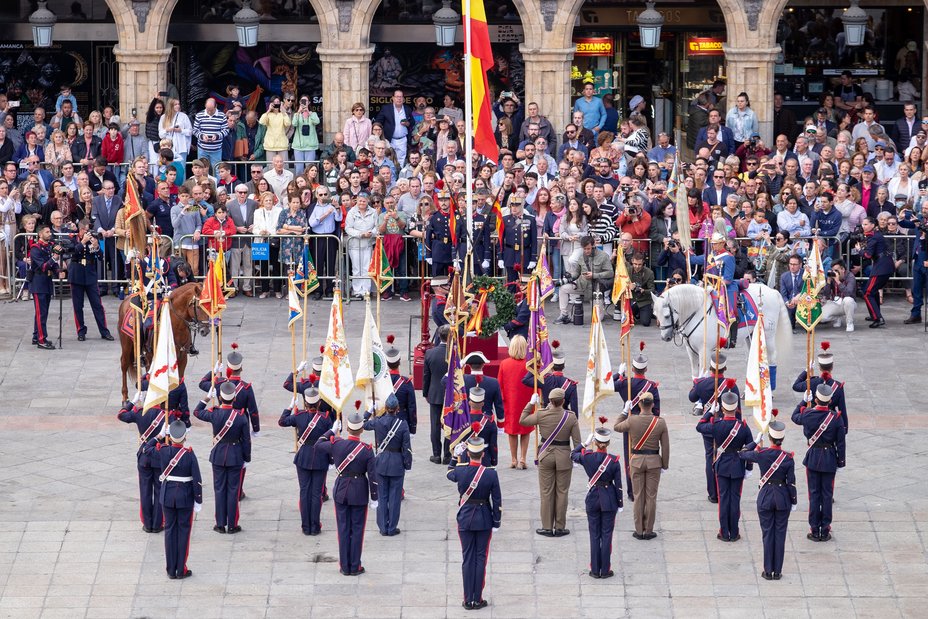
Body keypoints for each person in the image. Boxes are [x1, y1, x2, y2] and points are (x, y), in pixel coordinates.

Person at [316, 412, 379, 576]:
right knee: (357, 530)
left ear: (348, 428)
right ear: (361, 431)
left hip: (341, 490)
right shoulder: (366, 450)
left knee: (343, 529)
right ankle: (355, 565)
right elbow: (373, 476)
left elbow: (318, 444)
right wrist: (374, 497)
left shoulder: (337, 444)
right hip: (359, 491)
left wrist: (331, 431)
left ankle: (344, 566)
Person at [143, 421, 203, 580]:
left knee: (169, 531)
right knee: (183, 532)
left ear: (170, 436)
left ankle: (171, 569)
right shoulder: (189, 454)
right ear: (185, 437)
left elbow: (146, 449)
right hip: (185, 497)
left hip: (167, 496)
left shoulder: (163, 451)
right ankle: (180, 569)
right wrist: (198, 500)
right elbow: (197, 479)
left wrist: (159, 436)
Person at [447, 435, 502, 610]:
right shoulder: (491, 474)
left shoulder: (461, 471)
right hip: (484, 518)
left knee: (467, 558)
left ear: (468, 454)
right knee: (480, 558)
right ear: (483, 453)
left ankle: (467, 598)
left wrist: (455, 457)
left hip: (465, 518)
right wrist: (496, 522)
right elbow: (497, 500)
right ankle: (477, 599)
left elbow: (449, 473)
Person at [739, 420, 797, 580]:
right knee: (780, 534)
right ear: (782, 439)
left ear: (770, 438)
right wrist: (794, 501)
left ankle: (768, 570)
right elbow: (791, 482)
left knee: (767, 534)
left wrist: (755, 443)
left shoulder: (762, 454)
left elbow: (742, 453)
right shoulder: (787, 458)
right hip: (783, 498)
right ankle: (777, 571)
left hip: (765, 498)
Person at [519, 388, 581, 537]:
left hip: (546, 456)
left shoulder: (541, 414)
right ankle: (560, 527)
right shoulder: (571, 417)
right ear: (563, 401)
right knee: (562, 492)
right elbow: (577, 442)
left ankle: (547, 527)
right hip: (564, 457)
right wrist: (578, 458)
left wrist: (530, 403)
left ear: (550, 401)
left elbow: (523, 420)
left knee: (546, 492)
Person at [193, 381, 252, 535]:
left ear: (219, 397)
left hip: (218, 455)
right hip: (235, 455)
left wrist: (207, 398)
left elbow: (197, 412)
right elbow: (246, 440)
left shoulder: (214, 413)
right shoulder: (241, 417)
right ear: (234, 399)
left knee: (219, 490)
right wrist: (247, 457)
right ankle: (232, 525)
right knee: (233, 491)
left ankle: (220, 524)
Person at [791, 384, 846, 542]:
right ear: (829, 401)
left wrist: (803, 402)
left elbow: (794, 417)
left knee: (814, 495)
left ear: (815, 399)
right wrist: (841, 462)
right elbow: (841, 443)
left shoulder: (808, 414)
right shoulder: (836, 418)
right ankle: (825, 528)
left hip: (814, 458)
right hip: (829, 458)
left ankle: (814, 529)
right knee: (827, 496)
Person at [697, 392, 755, 542]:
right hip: (737, 466)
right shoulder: (743, 427)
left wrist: (710, 411)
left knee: (723, 499)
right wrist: (749, 468)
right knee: (735, 499)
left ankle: (724, 532)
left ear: (722, 408)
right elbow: (749, 449)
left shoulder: (717, 425)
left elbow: (700, 426)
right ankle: (734, 532)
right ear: (736, 409)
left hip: (722, 465)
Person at [278, 387, 334, 535]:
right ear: (319, 403)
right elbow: (331, 440)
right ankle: (315, 526)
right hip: (320, 457)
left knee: (304, 492)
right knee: (316, 494)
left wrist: (290, 407)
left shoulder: (299, 416)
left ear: (305, 402)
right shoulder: (326, 418)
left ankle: (305, 526)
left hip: (303, 457)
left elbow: (282, 421)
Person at [613, 391, 669, 540]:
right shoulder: (660, 422)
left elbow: (616, 426)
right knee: (651, 497)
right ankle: (648, 530)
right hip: (653, 461)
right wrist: (664, 465)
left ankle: (639, 530)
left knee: (638, 496)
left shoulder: (632, 420)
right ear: (653, 405)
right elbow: (665, 446)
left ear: (639, 404)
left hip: (637, 461)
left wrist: (625, 411)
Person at [570, 425, 623, 577]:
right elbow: (618, 484)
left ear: (595, 442)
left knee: (594, 535)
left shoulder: (587, 457)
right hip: (609, 500)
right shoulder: (613, 461)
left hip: (593, 499)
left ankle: (594, 569)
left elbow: (572, 454)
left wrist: (584, 444)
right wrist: (620, 503)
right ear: (608, 443)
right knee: (607, 535)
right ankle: (605, 570)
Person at [688, 354, 740, 502]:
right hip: (726, 426)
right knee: (725, 456)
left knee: (710, 457)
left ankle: (713, 493)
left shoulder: (702, 384)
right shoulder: (731, 386)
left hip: (709, 424)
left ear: (710, 368)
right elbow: (738, 410)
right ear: (725, 368)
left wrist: (697, 383)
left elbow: (692, 397)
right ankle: (722, 489)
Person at [117, 392, 171, 533]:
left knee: (145, 491)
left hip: (144, 456)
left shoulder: (140, 413)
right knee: (160, 491)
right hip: (160, 457)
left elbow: (121, 415)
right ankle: (158, 524)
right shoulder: (167, 416)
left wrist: (133, 402)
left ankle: (148, 524)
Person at [613, 347, 661, 499]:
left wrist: (619, 374)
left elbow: (609, 386)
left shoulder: (625, 383)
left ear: (632, 368)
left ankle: (632, 491)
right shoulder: (651, 387)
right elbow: (657, 410)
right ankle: (645, 487)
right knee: (646, 454)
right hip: (647, 422)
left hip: (629, 421)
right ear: (645, 369)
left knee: (630, 456)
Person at [362, 393, 412, 536]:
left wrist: (369, 411)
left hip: (382, 462)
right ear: (397, 409)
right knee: (395, 497)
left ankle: (383, 527)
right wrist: (407, 465)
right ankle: (391, 528)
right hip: (397, 463)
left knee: (382, 495)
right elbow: (407, 448)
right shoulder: (402, 425)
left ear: (385, 408)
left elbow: (363, 424)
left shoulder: (378, 421)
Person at [67, 219, 114, 341]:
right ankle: (81, 331)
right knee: (78, 306)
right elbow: (72, 253)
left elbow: (100, 257)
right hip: (77, 274)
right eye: (86, 230)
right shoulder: (72, 238)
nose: (89, 233)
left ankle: (104, 331)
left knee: (97, 305)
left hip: (90, 274)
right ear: (81, 230)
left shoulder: (93, 238)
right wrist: (82, 242)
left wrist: (97, 247)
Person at [554, 236, 613, 324]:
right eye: (584, 249)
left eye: (588, 248)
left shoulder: (603, 256)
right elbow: (577, 273)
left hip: (595, 289)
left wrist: (595, 275)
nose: (586, 251)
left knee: (598, 319)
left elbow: (610, 273)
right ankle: (564, 315)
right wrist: (569, 277)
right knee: (563, 288)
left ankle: (600, 307)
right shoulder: (581, 256)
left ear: (594, 245)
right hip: (581, 284)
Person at [791, 342, 849, 432]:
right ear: (832, 367)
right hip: (830, 422)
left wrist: (807, 370)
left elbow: (795, 386)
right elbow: (842, 410)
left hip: (813, 421)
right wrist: (844, 429)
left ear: (819, 367)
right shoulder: (838, 387)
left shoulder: (812, 383)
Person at [498, 335, 535, 469]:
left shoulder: (504, 364)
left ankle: (513, 459)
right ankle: (523, 458)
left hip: (510, 402)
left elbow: (500, 385)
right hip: (527, 401)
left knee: (512, 431)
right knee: (525, 430)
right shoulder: (530, 365)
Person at [521, 342, 578, 414]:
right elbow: (574, 411)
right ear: (563, 366)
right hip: (564, 419)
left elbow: (526, 380)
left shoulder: (544, 380)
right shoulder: (571, 385)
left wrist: (535, 366)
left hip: (547, 417)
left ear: (550, 366)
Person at [422, 324, 451, 464]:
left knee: (435, 425)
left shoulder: (430, 353)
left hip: (434, 393)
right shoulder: (455, 354)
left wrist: (425, 392)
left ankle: (436, 454)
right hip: (450, 394)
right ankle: (447, 454)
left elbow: (426, 376)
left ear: (439, 336)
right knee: (449, 424)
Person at [859, 216, 894, 327]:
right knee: (872, 292)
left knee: (867, 293)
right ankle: (874, 314)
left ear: (873, 225)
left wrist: (860, 250)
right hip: (884, 266)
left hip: (881, 267)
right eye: (863, 224)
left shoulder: (873, 237)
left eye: (865, 224)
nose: (863, 226)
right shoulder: (875, 235)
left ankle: (878, 318)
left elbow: (868, 255)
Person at [29, 224, 60, 349]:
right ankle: (42, 340)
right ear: (40, 234)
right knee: (41, 313)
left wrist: (58, 270)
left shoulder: (48, 247)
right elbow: (43, 266)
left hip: (46, 282)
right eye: (47, 232)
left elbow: (52, 265)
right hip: (38, 283)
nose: (49, 234)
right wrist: (54, 258)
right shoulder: (35, 249)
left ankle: (36, 336)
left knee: (43, 312)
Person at [498, 198, 537, 287]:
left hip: (525, 253)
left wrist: (533, 258)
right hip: (510, 253)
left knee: (525, 282)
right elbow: (500, 240)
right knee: (511, 282)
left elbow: (533, 241)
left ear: (522, 206)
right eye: (512, 205)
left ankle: (524, 300)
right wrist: (500, 257)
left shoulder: (530, 220)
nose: (514, 208)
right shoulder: (505, 219)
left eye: (517, 205)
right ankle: (511, 299)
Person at [463, 351, 504, 425]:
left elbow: (445, 381)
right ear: (483, 365)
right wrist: (500, 421)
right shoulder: (493, 382)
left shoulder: (462, 380)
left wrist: (460, 364)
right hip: (487, 421)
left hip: (466, 421)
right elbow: (498, 404)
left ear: (469, 365)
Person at [375, 89, 414, 166]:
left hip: (402, 139)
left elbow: (412, 122)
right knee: (388, 159)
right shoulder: (386, 108)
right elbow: (378, 122)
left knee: (401, 161)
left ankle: (399, 176)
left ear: (403, 98)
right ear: (392, 98)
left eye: (401, 97)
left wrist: (407, 123)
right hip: (389, 139)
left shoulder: (407, 109)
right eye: (397, 97)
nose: (399, 99)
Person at [385, 340, 417, 434]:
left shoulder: (382, 383)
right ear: (399, 362)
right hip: (402, 421)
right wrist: (412, 428)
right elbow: (412, 407)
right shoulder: (406, 383)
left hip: (384, 422)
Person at [465, 387, 499, 467]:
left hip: (465, 458)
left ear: (469, 402)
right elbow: (493, 445)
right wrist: (494, 460)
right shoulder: (490, 421)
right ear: (483, 404)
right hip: (484, 458)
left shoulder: (462, 420)